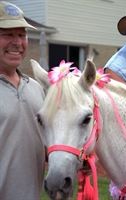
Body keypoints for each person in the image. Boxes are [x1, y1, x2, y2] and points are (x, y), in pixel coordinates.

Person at [0, 1, 45, 200]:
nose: (17, 42)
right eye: (8, 34)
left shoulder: (36, 89)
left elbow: (46, 147)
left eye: (21, 34)